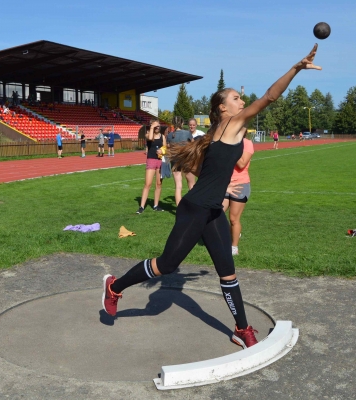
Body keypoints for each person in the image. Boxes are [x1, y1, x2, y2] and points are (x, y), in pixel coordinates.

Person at [103, 45, 322, 349]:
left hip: (212, 211)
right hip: (194, 210)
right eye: (236, 98)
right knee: (166, 266)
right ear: (223, 108)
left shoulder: (219, 130)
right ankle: (114, 287)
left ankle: (242, 329)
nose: (242, 101)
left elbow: (207, 169)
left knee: (227, 272)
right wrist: (296, 68)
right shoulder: (232, 124)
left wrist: (223, 188)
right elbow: (270, 97)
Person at [222, 134, 254, 256]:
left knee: (233, 219)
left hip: (240, 184)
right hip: (225, 183)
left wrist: (231, 149)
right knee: (216, 212)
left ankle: (234, 246)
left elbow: (241, 164)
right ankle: (227, 235)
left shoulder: (247, 143)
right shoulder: (226, 141)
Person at [136, 119, 167, 213]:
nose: (157, 127)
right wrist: (152, 127)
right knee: (148, 184)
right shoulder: (148, 135)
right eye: (155, 126)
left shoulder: (162, 136)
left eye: (158, 126)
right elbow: (149, 138)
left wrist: (162, 151)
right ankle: (141, 207)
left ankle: (156, 205)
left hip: (160, 161)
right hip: (151, 160)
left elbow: (165, 147)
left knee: (158, 184)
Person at [166, 116, 195, 206]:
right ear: (182, 123)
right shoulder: (187, 133)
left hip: (175, 161)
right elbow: (193, 145)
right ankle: (193, 206)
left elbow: (167, 147)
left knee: (178, 186)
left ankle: (179, 209)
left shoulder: (170, 135)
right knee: (191, 184)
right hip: (186, 160)